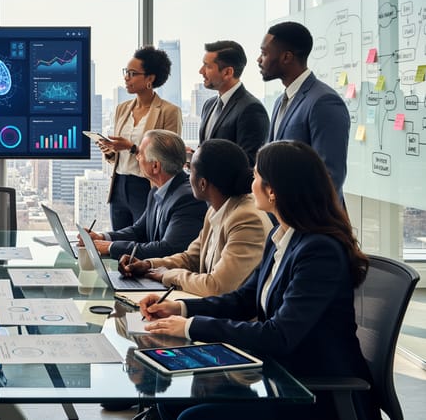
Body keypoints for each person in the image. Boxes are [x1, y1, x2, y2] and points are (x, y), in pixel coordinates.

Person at [139, 141, 375, 420]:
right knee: (171, 400)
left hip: (312, 391)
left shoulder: (319, 252)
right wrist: (180, 309)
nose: (250, 184)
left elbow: (279, 335)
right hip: (278, 375)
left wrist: (191, 327)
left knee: (192, 416)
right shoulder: (282, 239)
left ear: (273, 191)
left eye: (256, 177)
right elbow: (244, 299)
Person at [119, 139, 272, 297]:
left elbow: (216, 286)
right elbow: (191, 258)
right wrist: (148, 264)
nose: (187, 176)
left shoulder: (246, 219)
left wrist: (166, 275)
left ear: (203, 183)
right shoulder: (215, 209)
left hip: (232, 317)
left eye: (190, 170)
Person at [259, 21, 350, 198]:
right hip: (283, 219)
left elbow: (329, 177)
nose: (259, 60)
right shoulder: (280, 101)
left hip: (311, 222)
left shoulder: (324, 101)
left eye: (264, 53)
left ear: (286, 57)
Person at [86, 129, 206, 262]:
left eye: (140, 154)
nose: (137, 157)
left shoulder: (188, 199)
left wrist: (111, 247)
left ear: (155, 166)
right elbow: (139, 231)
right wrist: (102, 237)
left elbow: (168, 249)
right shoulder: (156, 191)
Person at [99, 46, 182, 230]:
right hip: (119, 185)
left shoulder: (169, 112)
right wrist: (111, 150)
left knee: (143, 241)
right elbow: (119, 155)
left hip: (146, 187)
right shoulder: (122, 108)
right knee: (118, 243)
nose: (126, 77)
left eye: (132, 73)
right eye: (126, 72)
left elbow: (171, 158)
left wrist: (132, 148)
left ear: (150, 78)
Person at [197, 40, 269, 165]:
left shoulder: (251, 109)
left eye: (207, 66)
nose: (201, 71)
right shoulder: (209, 104)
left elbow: (248, 163)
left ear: (227, 72)